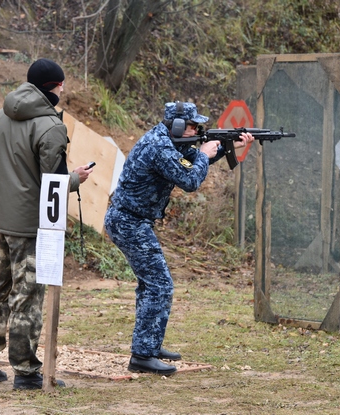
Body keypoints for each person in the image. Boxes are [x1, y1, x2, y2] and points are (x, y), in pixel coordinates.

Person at [0, 58, 94, 390]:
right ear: (51, 87)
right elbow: (51, 184)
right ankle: (26, 372)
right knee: (28, 295)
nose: (63, 90)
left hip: (4, 219)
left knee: (0, 289)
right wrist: (76, 179)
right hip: (31, 225)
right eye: (60, 85)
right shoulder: (51, 127)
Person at [104, 102, 254, 375]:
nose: (197, 130)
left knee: (150, 284)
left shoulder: (168, 142)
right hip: (129, 222)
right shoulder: (159, 147)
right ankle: (142, 356)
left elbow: (188, 161)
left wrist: (227, 145)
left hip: (131, 220)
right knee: (160, 284)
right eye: (193, 126)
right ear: (175, 126)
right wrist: (205, 155)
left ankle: (149, 343)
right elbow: (189, 179)